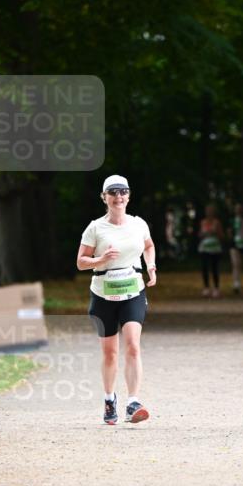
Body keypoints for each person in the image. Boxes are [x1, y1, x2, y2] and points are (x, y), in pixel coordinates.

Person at [77, 174, 157, 425]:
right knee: (110, 353)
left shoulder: (138, 224)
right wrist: (101, 260)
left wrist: (151, 265)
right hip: (103, 294)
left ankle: (133, 402)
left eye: (123, 192)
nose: (118, 196)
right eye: (113, 192)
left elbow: (149, 245)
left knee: (133, 345)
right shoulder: (95, 228)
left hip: (133, 291)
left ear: (129, 196)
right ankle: (110, 398)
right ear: (104, 197)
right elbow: (80, 262)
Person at [197, 203, 224, 297]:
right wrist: (203, 234)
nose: (209, 213)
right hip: (204, 248)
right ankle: (206, 288)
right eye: (208, 211)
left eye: (211, 211)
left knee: (214, 268)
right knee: (204, 268)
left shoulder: (217, 222)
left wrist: (215, 232)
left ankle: (216, 288)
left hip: (215, 249)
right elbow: (199, 235)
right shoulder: (203, 222)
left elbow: (221, 236)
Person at [228, 201, 243, 294]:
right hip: (234, 245)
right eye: (237, 208)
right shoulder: (231, 220)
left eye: (240, 208)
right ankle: (236, 283)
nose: (238, 210)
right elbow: (229, 232)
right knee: (235, 263)